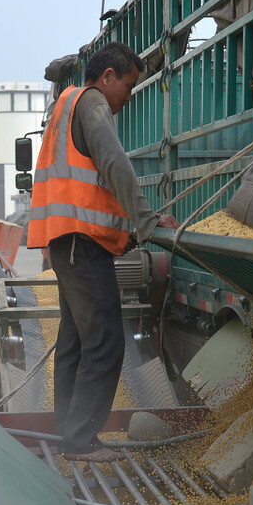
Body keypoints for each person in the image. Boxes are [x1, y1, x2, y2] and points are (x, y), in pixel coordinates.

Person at [27, 41, 181, 462]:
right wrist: (147, 221)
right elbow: (115, 165)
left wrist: (124, 236)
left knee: (75, 342)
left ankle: (68, 434)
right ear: (107, 77)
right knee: (106, 342)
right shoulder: (93, 103)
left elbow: (87, 192)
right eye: (128, 86)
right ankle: (80, 441)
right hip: (82, 246)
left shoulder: (65, 105)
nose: (129, 97)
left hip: (69, 243)